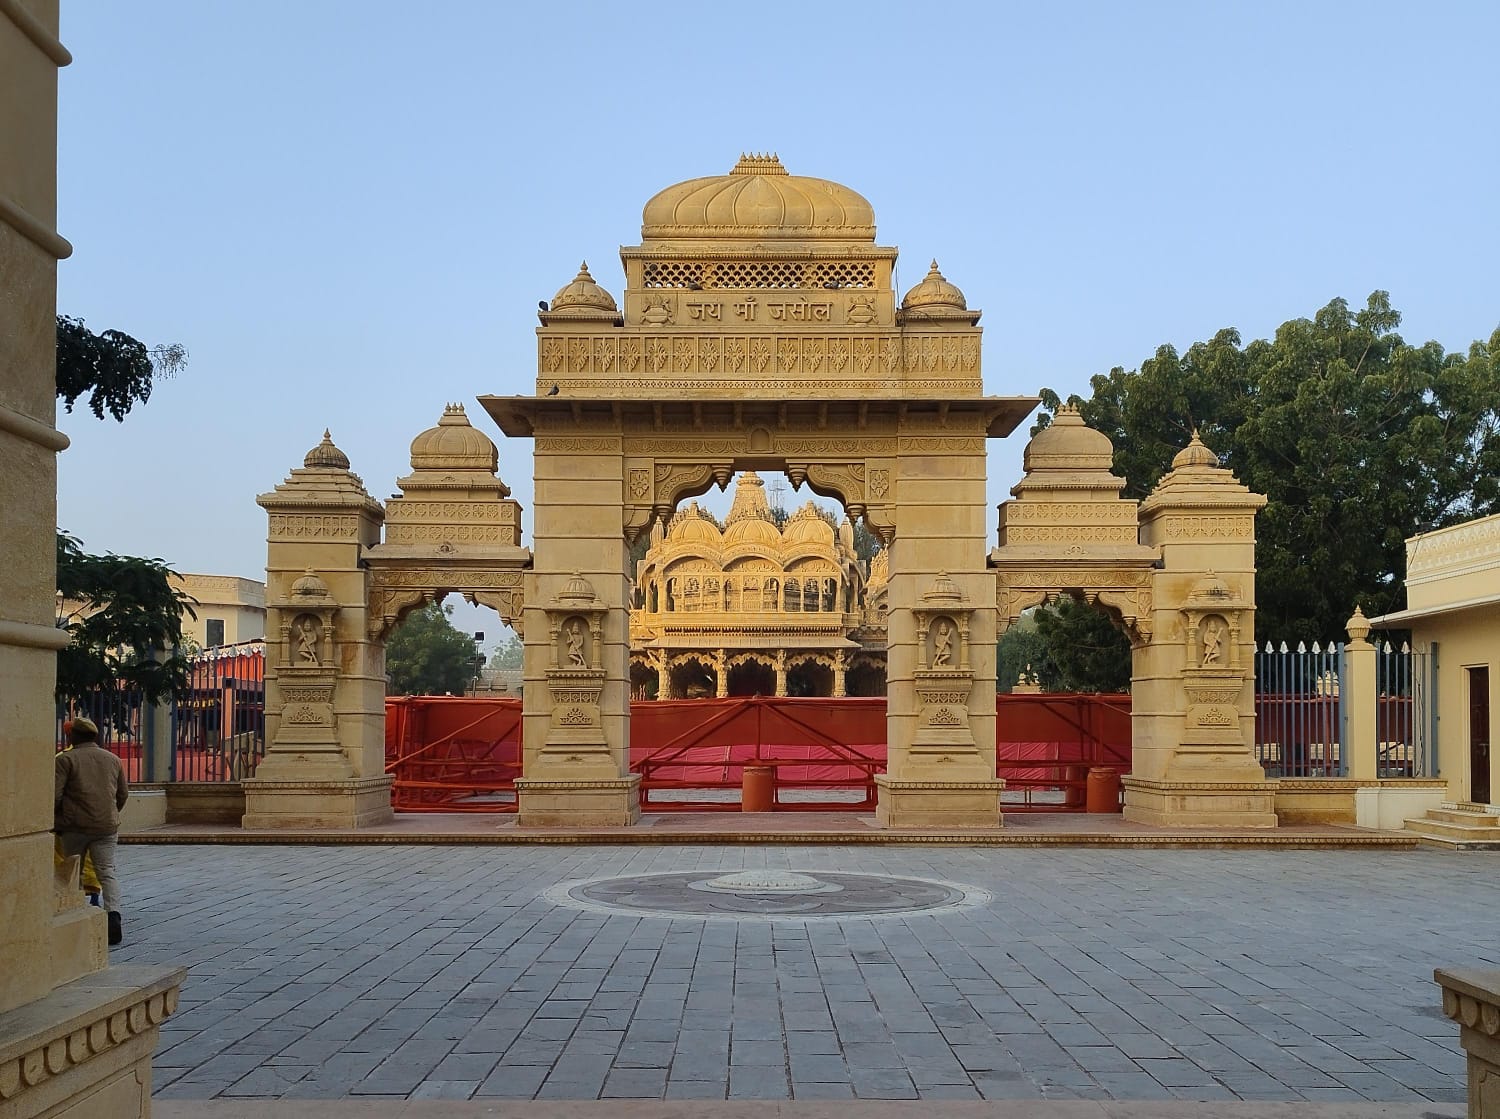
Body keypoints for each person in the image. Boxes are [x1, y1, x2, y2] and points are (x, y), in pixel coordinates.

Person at [55, 716, 128, 945]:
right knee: (107, 872)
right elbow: (123, 794)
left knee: (72, 872)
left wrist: (57, 820)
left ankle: (75, 916)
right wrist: (111, 813)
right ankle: (113, 916)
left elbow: (55, 795)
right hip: (106, 827)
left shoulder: (66, 760)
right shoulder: (113, 759)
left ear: (73, 736)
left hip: (74, 827)